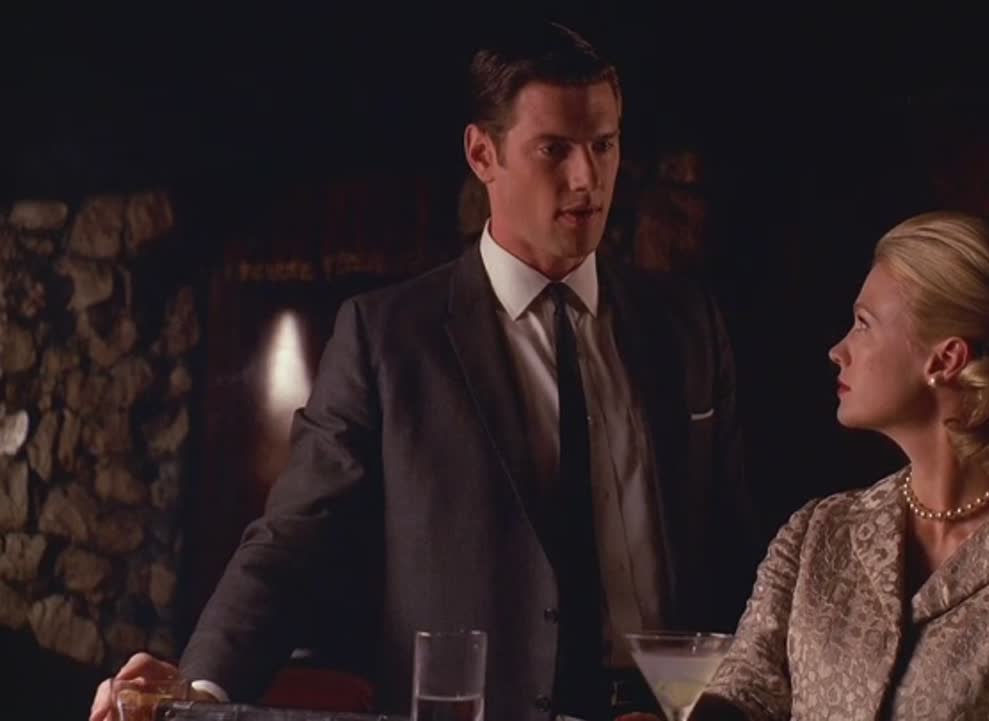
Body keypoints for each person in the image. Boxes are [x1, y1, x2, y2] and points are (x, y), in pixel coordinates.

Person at [91, 21, 757, 721]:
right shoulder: (387, 337)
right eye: (554, 149)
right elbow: (293, 541)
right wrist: (196, 695)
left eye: (604, 144)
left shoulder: (686, 325)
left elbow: (740, 555)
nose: (587, 177)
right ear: (482, 153)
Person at [686, 211, 989, 720]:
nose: (837, 351)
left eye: (863, 323)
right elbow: (747, 690)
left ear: (945, 360)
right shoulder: (816, 533)